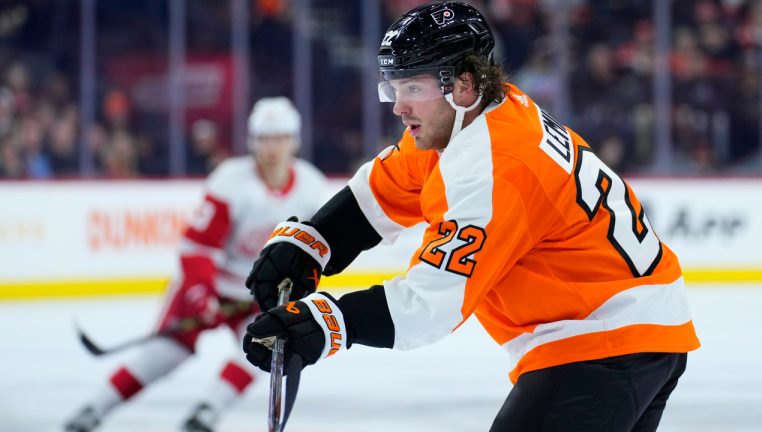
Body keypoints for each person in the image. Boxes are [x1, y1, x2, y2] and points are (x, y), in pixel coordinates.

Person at [242, 3, 700, 432]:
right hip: (630, 330)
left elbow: (430, 304)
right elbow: (386, 189)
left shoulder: (491, 167)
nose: (399, 106)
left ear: (463, 83)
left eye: (413, 88)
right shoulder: (478, 115)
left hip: (605, 341)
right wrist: (312, 241)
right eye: (394, 88)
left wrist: (326, 323)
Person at [65, 97, 330, 432]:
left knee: (262, 347)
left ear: (295, 140)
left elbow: (312, 252)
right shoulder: (230, 182)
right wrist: (201, 295)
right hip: (211, 284)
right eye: (265, 138)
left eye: (280, 137)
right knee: (165, 354)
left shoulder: (312, 187)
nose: (273, 147)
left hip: (258, 294)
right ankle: (93, 410)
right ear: (252, 141)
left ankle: (205, 414)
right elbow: (197, 249)